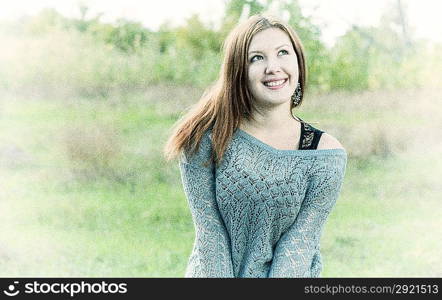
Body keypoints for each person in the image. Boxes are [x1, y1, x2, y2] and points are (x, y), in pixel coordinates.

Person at [163, 14, 347, 278]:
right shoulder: (205, 138)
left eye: (283, 53)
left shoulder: (325, 154)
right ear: (238, 72)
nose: (273, 67)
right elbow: (209, 234)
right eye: (257, 58)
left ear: (298, 61)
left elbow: (300, 245)